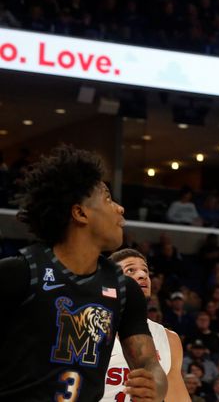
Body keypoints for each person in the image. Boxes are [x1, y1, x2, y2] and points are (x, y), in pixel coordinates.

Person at [0, 145, 167, 400]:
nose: (120, 209)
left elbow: (149, 365)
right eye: (108, 199)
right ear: (80, 212)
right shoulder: (20, 273)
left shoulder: (125, 290)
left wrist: (153, 385)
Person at [102, 248, 191, 401]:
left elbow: (178, 397)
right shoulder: (87, 325)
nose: (143, 275)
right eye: (130, 270)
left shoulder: (169, 339)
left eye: (145, 271)